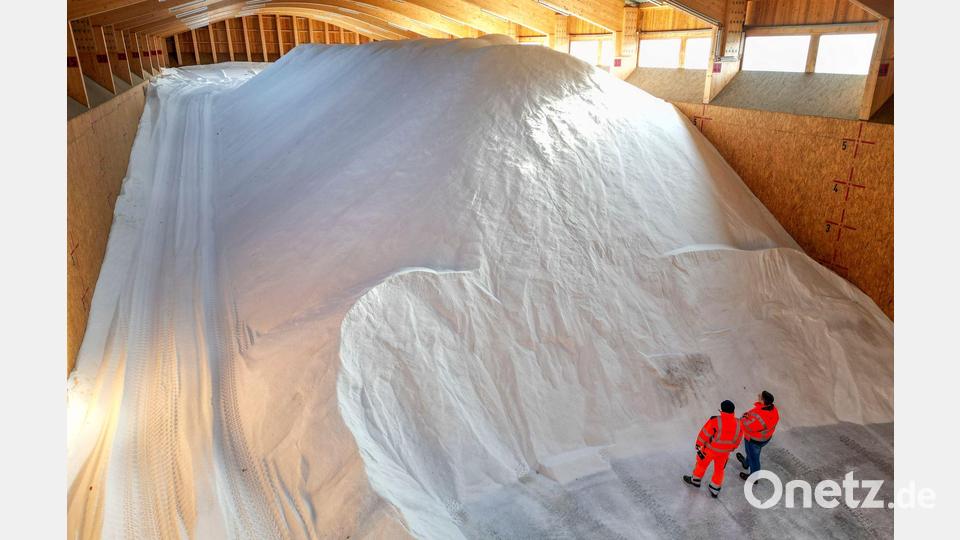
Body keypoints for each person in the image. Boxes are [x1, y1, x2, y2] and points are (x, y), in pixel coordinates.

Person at [683, 400, 743, 498]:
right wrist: (733, 448)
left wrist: (698, 444)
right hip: (724, 452)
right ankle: (715, 488)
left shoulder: (715, 421)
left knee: (701, 464)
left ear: (722, 410)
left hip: (710, 450)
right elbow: (738, 438)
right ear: (733, 410)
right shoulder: (739, 423)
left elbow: (705, 433)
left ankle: (696, 480)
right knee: (719, 469)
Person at [736, 390, 780, 480]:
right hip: (764, 438)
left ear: (763, 401)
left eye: (760, 396)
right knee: (750, 453)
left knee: (754, 459)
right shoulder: (772, 409)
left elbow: (747, 426)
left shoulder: (761, 416)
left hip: (754, 440)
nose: (758, 396)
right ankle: (746, 463)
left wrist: (743, 418)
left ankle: (753, 478)